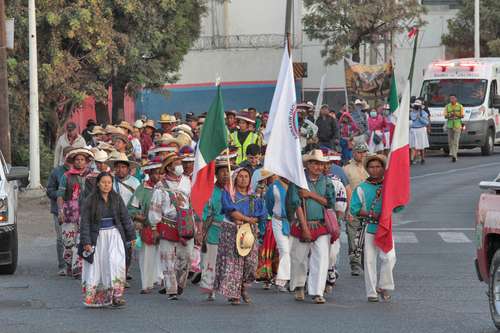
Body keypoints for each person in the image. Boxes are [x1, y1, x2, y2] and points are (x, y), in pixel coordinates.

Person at [286, 150, 335, 304]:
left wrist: (310, 195)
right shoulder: (298, 181)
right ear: (307, 164)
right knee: (299, 258)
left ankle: (317, 291)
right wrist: (305, 228)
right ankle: (300, 286)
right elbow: (296, 204)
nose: (318, 166)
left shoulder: (327, 181)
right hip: (302, 224)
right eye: (314, 163)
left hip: (320, 224)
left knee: (321, 259)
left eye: (320, 164)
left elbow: (330, 202)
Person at [79, 172, 136, 308]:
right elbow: (85, 222)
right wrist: (86, 242)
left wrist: (131, 236)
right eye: (103, 182)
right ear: (98, 183)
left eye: (109, 182)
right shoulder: (90, 201)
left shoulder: (116, 199)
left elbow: (125, 218)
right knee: (97, 267)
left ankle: (116, 296)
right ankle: (95, 297)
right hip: (97, 238)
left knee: (116, 264)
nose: (106, 185)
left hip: (114, 236)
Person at [214, 167, 267, 305]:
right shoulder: (229, 194)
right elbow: (231, 211)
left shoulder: (254, 196)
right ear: (235, 178)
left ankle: (243, 286)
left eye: (246, 177)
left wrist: (250, 221)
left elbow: (261, 214)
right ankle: (234, 294)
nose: (243, 179)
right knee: (234, 263)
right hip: (231, 230)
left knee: (250, 262)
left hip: (249, 231)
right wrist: (247, 219)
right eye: (241, 176)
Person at [350, 154, 396, 302]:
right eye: (371, 167)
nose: (375, 170)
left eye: (378, 167)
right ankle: (371, 292)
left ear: (383, 168)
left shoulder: (389, 187)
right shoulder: (361, 188)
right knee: (369, 261)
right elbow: (354, 209)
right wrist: (372, 214)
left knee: (389, 258)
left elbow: (398, 207)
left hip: (386, 227)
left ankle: (384, 285)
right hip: (369, 226)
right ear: (367, 169)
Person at [149, 152, 194, 300]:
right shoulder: (160, 186)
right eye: (176, 164)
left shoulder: (187, 181)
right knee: (167, 258)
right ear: (168, 168)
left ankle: (180, 283)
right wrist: (155, 228)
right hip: (168, 224)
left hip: (186, 224)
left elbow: (193, 201)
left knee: (186, 257)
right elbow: (155, 207)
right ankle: (171, 289)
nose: (180, 166)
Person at [56, 148, 94, 278]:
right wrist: (60, 211)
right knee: (68, 242)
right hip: (69, 212)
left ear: (87, 161)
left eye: (82, 159)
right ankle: (69, 264)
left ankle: (77, 267)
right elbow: (60, 195)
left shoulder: (92, 176)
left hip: (86, 212)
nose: (80, 162)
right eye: (77, 159)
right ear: (73, 161)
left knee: (81, 240)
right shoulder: (66, 176)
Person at [128, 159, 164, 294]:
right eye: (155, 173)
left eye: (161, 173)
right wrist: (140, 218)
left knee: (164, 256)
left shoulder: (166, 188)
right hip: (148, 226)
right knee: (147, 256)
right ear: (149, 173)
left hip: (165, 227)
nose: (158, 176)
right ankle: (146, 284)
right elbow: (131, 208)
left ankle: (162, 281)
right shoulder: (142, 189)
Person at [199, 158, 230, 300]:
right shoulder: (210, 191)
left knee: (227, 263)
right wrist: (202, 231)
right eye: (222, 172)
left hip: (230, 232)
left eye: (228, 171)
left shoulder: (233, 191)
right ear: (216, 174)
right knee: (210, 260)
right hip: (213, 230)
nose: (226, 174)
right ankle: (209, 288)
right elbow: (205, 212)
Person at [46, 146, 75, 276]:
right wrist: (62, 194)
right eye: (68, 155)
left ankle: (74, 265)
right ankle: (62, 266)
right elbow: (49, 190)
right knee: (61, 238)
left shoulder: (80, 172)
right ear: (64, 157)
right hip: (59, 210)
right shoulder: (57, 172)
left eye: (72, 155)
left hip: (76, 212)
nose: (70, 158)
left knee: (75, 238)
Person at [343, 143, 369, 276]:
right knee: (353, 238)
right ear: (354, 153)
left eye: (364, 152)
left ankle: (367, 263)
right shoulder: (346, 169)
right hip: (353, 209)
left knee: (368, 238)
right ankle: (355, 264)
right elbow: (344, 190)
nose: (362, 155)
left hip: (369, 209)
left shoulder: (371, 168)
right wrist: (347, 210)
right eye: (359, 152)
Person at [323, 153, 347, 293]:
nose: (323, 167)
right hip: (313, 221)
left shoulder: (336, 183)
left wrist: (336, 223)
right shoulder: (307, 182)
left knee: (332, 252)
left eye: (326, 164)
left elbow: (340, 206)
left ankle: (330, 271)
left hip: (331, 221)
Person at [265, 176, 290, 292]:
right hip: (278, 221)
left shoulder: (295, 185)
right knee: (284, 250)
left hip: (294, 222)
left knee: (294, 251)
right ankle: (281, 280)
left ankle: (294, 280)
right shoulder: (273, 187)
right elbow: (269, 205)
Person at [443, 94, 464, 162]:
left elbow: (462, 115)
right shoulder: (447, 106)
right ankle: (452, 152)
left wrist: (456, 114)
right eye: (450, 98)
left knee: (456, 141)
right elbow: (445, 116)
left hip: (457, 125)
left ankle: (454, 155)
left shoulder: (460, 106)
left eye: (453, 98)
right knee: (450, 141)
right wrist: (450, 115)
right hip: (450, 125)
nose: (451, 100)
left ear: (456, 99)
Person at [410, 99, 430, 164]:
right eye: (416, 105)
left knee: (421, 145)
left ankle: (422, 158)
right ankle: (412, 159)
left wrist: (420, 118)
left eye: (418, 106)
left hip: (421, 130)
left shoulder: (423, 113)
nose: (416, 107)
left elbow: (426, 122)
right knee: (413, 145)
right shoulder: (411, 113)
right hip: (413, 130)